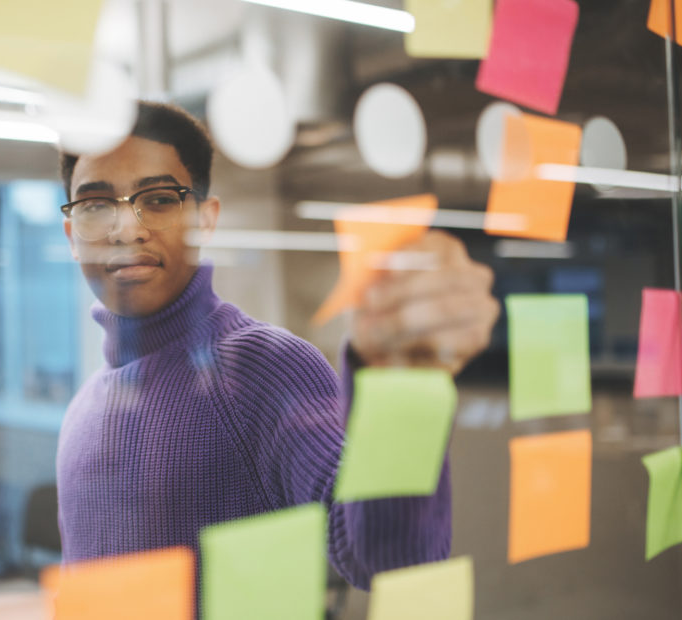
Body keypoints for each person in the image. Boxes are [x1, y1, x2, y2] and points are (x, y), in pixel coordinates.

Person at [55, 101, 499, 589]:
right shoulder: (85, 406)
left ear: (204, 219)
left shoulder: (262, 367)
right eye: (95, 205)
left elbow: (392, 559)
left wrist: (401, 386)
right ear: (72, 234)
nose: (126, 229)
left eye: (159, 199)